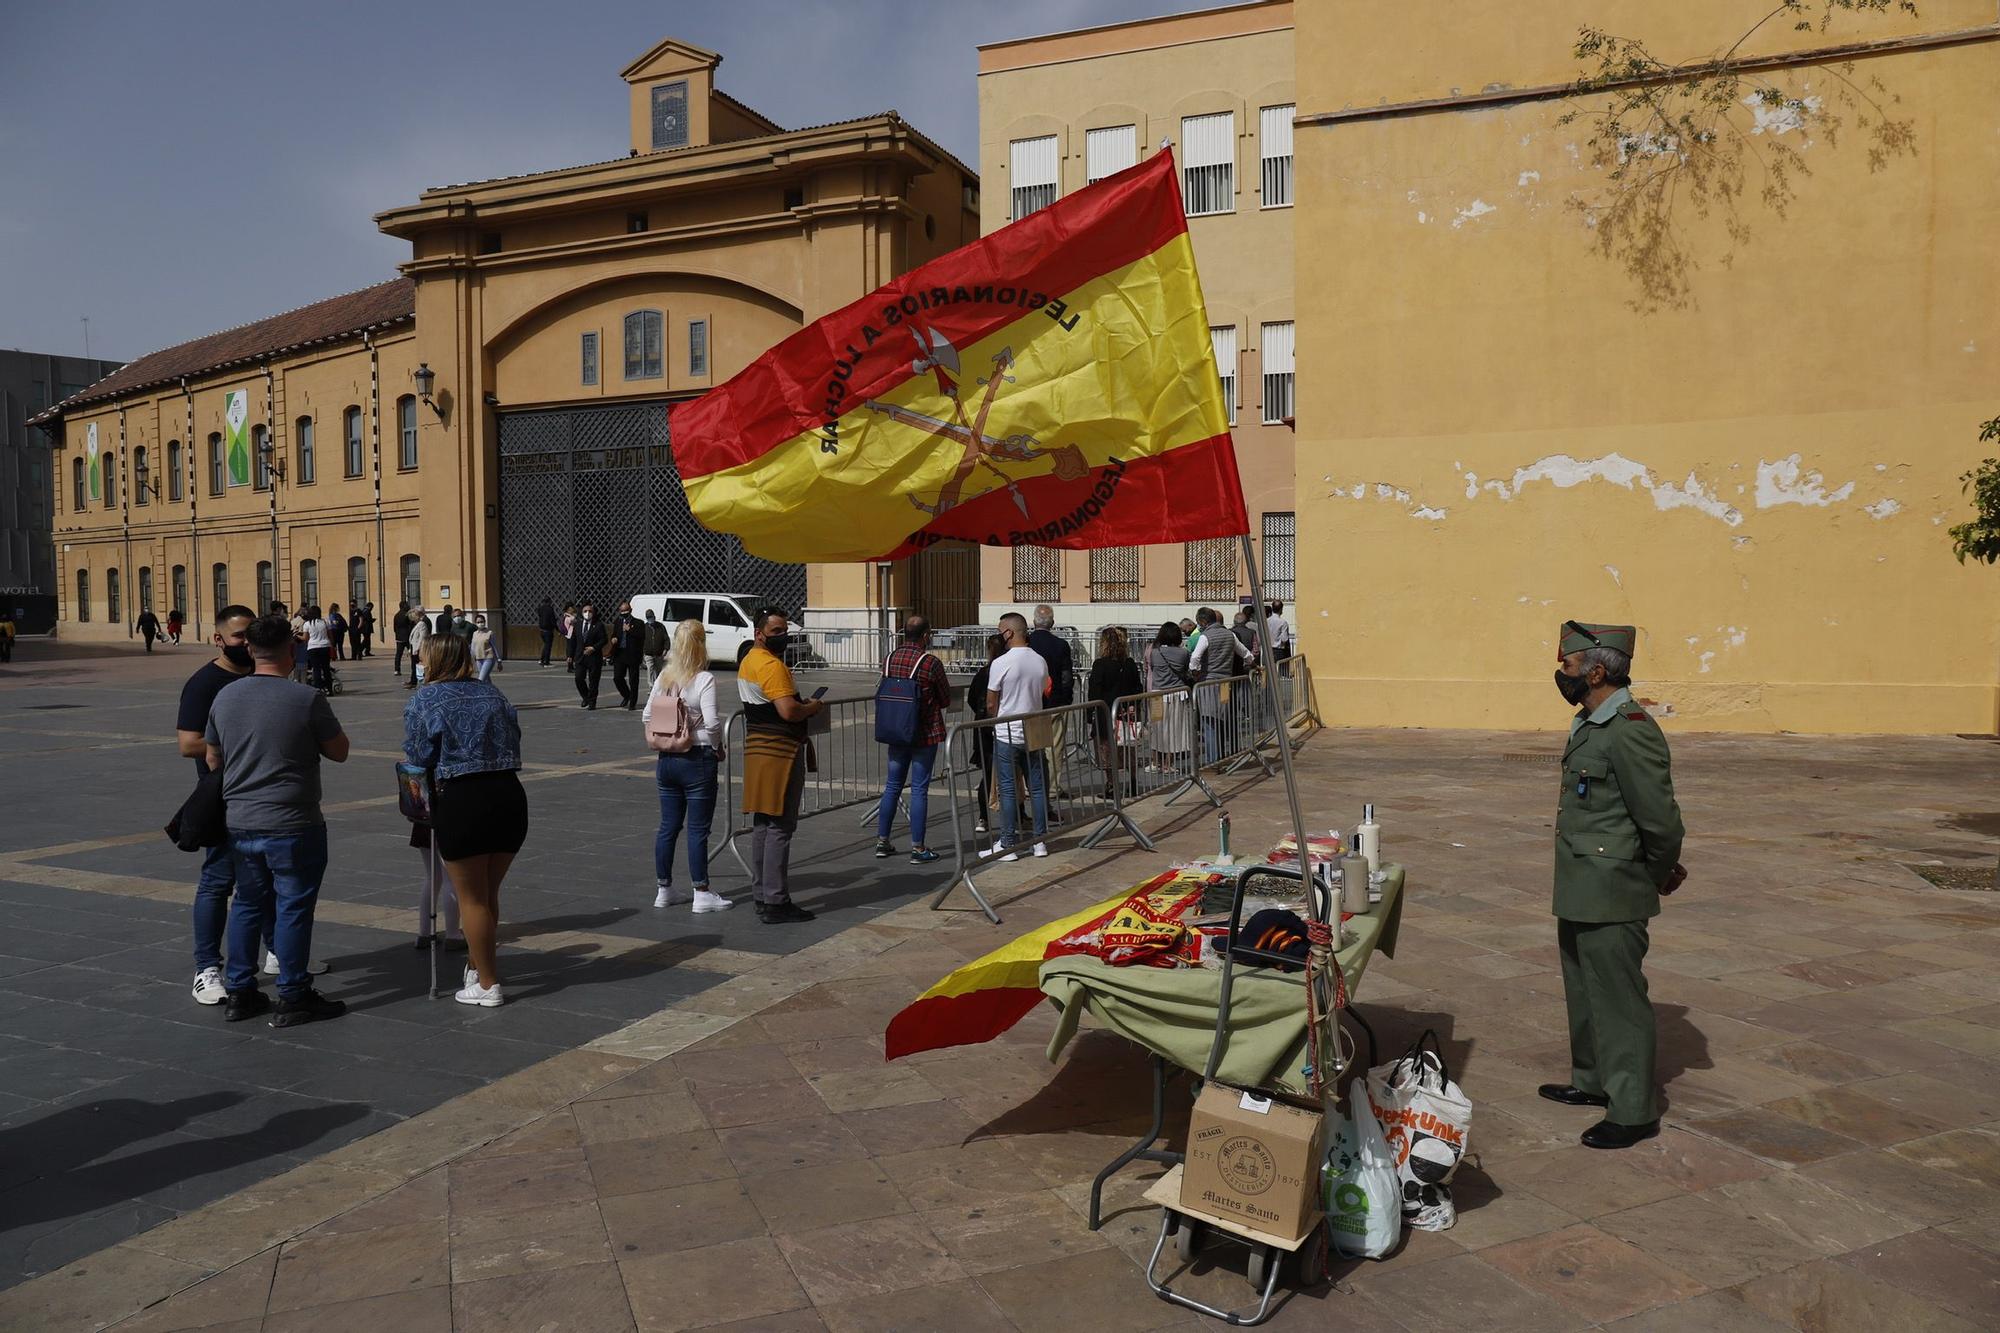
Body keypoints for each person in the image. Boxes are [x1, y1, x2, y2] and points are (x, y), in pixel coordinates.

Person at [1539, 621, 1685, 1151]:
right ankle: (1593, 1080)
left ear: (1597, 671)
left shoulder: (1630, 727)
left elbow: (1661, 822)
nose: (1563, 674)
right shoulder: (1591, 721)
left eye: (1570, 666)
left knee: (1619, 999)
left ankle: (1632, 1109)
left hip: (1614, 884)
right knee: (1583, 988)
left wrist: (1652, 874)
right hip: (1582, 879)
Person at [204, 612, 350, 1026]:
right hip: (293, 821)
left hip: (240, 821)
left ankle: (240, 991)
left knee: (247, 903)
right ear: (291, 648)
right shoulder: (305, 699)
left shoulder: (225, 697)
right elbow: (339, 751)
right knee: (293, 908)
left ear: (249, 649)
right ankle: (293, 993)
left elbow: (213, 758)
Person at [405, 632, 527, 1006]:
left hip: (462, 798)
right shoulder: (494, 693)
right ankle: (477, 966)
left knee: (471, 897)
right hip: (508, 794)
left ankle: (489, 984)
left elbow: (418, 755)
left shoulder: (425, 698)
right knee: (488, 893)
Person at [178, 604, 264, 1005]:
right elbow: (188, 743)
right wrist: (247, 747)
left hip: (264, 795)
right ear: (218, 639)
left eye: (251, 635)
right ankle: (206, 968)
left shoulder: (263, 675)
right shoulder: (204, 683)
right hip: (224, 796)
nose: (246, 643)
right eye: (238, 636)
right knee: (218, 880)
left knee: (268, 880)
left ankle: (279, 952)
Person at [739, 608, 824, 923]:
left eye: (784, 629)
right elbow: (789, 711)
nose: (782, 636)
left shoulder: (749, 660)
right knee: (780, 827)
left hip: (758, 747)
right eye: (776, 631)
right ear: (759, 633)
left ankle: (762, 894)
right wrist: (812, 707)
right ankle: (775, 901)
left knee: (763, 824)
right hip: (780, 751)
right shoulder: (772, 666)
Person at [647, 620, 730, 913]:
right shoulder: (703, 678)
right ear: (700, 645)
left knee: (668, 826)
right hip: (698, 758)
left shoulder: (664, 677)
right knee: (697, 830)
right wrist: (718, 746)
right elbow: (713, 721)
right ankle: (701, 892)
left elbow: (647, 715)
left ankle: (664, 888)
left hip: (667, 759)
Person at [872, 615, 953, 864]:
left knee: (892, 785)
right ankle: (918, 848)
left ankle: (882, 841)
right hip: (925, 732)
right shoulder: (929, 663)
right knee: (919, 788)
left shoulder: (889, 659)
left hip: (896, 731)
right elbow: (945, 698)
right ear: (926, 635)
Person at [981, 612, 1050, 862]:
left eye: (1001, 631)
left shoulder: (1001, 663)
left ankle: (1008, 842)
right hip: (1034, 728)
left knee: (1008, 790)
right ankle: (1040, 842)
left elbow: (991, 701)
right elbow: (1043, 689)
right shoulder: (1040, 660)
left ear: (1009, 632)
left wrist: (997, 715)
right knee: (1038, 788)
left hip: (1007, 730)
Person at [1087, 626, 1143, 800]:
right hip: (1126, 712)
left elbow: (1094, 692)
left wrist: (1089, 716)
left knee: (1107, 752)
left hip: (1106, 713)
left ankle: (1112, 785)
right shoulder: (1130, 663)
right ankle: (1133, 783)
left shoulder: (1100, 665)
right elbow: (1138, 687)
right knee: (1128, 749)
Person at [1190, 606, 1250, 766]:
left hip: (1208, 683)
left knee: (1208, 722)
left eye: (1198, 622)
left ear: (1203, 621)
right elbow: (1246, 654)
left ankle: (1213, 761)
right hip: (1226, 683)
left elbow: (1195, 658)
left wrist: (1194, 672)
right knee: (1221, 720)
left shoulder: (1205, 636)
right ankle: (1221, 756)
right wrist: (1253, 665)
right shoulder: (1230, 635)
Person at [1027, 606, 1074, 797]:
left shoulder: (1027, 643)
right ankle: (1052, 787)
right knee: (1054, 747)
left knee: (1031, 745)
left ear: (1034, 621)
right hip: (1055, 701)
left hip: (1031, 701)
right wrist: (1066, 698)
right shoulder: (1061, 645)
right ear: (1052, 623)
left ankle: (1031, 785)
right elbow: (1066, 676)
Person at [966, 632, 1005, 835]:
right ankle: (1018, 814)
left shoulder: (983, 672)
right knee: (1010, 773)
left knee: (987, 774)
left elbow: (972, 699)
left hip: (983, 726)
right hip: (999, 726)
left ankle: (983, 817)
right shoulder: (1004, 670)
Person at [1146, 620, 1193, 773]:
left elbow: (1152, 669)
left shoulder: (1155, 652)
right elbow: (1186, 670)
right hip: (1177, 694)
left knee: (1157, 729)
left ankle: (1154, 762)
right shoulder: (1184, 653)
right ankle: (1168, 764)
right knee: (1174, 729)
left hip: (1157, 694)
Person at [609, 602, 645, 709]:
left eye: (626, 611)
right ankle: (626, 695)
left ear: (631, 610)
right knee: (617, 677)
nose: (624, 613)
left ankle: (632, 703)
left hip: (633, 655)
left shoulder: (638, 623)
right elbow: (615, 634)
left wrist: (630, 630)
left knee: (633, 680)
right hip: (620, 653)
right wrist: (613, 639)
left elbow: (641, 636)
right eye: (622, 611)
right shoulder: (618, 622)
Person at [570, 602, 606, 708]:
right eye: (585, 611)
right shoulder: (577, 625)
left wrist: (594, 648)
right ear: (582, 612)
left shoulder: (598, 625)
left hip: (594, 657)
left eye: (590, 611)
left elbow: (604, 639)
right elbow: (573, 640)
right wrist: (569, 655)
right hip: (580, 657)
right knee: (578, 678)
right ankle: (586, 697)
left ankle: (592, 702)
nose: (588, 613)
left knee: (593, 681)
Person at [300, 605, 335, 692]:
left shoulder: (307, 624)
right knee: (326, 668)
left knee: (316, 669)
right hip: (325, 646)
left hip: (313, 648)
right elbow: (330, 636)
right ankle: (329, 689)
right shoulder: (326, 622)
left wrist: (297, 635)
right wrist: (333, 646)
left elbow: (305, 638)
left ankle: (318, 688)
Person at [641, 610, 668, 689]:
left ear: (654, 617)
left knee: (659, 670)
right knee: (650, 670)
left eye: (651, 617)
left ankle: (659, 685)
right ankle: (651, 686)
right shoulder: (644, 627)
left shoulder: (661, 627)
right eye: (648, 617)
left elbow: (666, 638)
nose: (650, 619)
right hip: (648, 653)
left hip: (659, 653)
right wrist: (642, 651)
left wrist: (666, 649)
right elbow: (641, 640)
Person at [406, 604, 430, 689]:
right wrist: (410, 649)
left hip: (418, 649)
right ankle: (414, 681)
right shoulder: (418, 624)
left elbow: (422, 638)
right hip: (414, 648)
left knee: (418, 666)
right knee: (414, 666)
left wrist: (417, 648)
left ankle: (418, 681)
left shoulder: (422, 624)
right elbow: (413, 638)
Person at [470, 614, 499, 682]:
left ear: (485, 622)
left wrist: (499, 660)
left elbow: (494, 647)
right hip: (478, 659)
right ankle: (492, 691)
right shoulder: (474, 633)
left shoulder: (489, 633)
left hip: (488, 658)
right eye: (478, 622)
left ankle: (478, 692)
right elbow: (472, 647)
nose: (480, 623)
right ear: (475, 623)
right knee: (486, 679)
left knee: (481, 679)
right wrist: (470, 659)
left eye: (482, 621)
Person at [536, 596, 558, 667]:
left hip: (541, 630)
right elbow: (553, 620)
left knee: (545, 645)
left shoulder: (540, 609)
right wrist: (557, 629)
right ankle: (546, 662)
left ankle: (542, 660)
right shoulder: (550, 609)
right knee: (548, 646)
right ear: (549, 602)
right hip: (548, 630)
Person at [393, 602, 414, 675]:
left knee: (398, 654)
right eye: (407, 605)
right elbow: (411, 626)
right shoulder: (407, 615)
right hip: (407, 637)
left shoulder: (396, 615)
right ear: (403, 606)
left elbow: (394, 628)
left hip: (399, 637)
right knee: (413, 653)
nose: (409, 606)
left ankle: (397, 670)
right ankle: (414, 669)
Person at [560, 603, 577, 671]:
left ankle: (571, 666)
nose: (571, 610)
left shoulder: (569, 616)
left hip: (572, 635)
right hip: (570, 635)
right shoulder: (567, 617)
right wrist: (571, 615)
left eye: (572, 609)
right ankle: (570, 667)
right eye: (569, 609)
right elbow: (573, 620)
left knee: (572, 651)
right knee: (570, 651)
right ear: (567, 610)